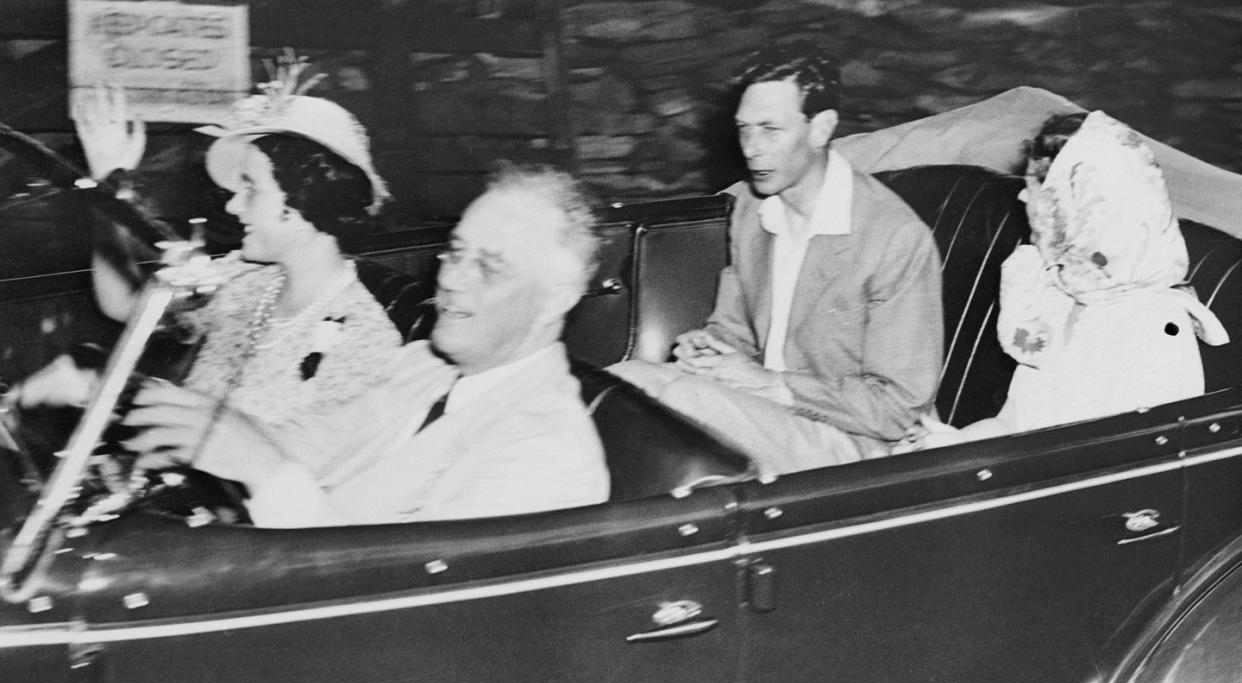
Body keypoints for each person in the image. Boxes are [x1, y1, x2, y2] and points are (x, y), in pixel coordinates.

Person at [121, 164, 611, 527]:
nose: (454, 279)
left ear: (555, 301)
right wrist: (197, 428)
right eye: (456, 252)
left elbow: (395, 596)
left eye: (490, 266)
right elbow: (309, 441)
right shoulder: (426, 365)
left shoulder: (545, 449)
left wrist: (262, 469)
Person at [610, 43, 943, 477]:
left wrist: (771, 385)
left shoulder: (894, 237)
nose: (752, 148)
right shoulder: (751, 208)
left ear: (821, 129)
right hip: (772, 413)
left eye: (770, 129)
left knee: (674, 409)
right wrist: (708, 349)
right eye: (744, 129)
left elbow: (896, 408)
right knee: (623, 382)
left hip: (861, 445)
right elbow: (734, 330)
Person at [57, 56, 409, 427]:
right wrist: (108, 189)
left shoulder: (365, 342)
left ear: (306, 206)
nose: (232, 204)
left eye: (251, 189)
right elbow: (125, 306)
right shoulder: (241, 279)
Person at [918, 111, 1229, 447]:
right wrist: (953, 445)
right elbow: (1012, 425)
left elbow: (1118, 471)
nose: (1023, 197)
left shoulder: (1153, 329)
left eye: (1037, 186)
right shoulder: (1058, 293)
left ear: (1078, 208)